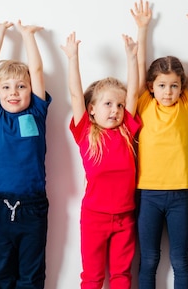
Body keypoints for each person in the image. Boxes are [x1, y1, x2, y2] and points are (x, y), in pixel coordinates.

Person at [131, 0, 188, 289]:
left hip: (179, 195)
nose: (168, 91)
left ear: (181, 87)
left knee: (180, 259)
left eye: (174, 85)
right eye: (162, 85)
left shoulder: (186, 106)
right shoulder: (143, 103)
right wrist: (142, 29)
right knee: (149, 259)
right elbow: (139, 67)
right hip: (148, 193)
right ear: (151, 87)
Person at [61, 31, 142, 289]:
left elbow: (134, 95)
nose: (115, 110)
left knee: (121, 277)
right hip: (95, 217)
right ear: (92, 109)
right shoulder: (85, 132)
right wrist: (73, 58)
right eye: (108, 104)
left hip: (125, 217)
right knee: (93, 278)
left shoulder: (127, 131)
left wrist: (132, 57)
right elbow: (75, 95)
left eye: (119, 105)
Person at [0, 20, 52, 289]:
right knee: (1, 273)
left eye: (21, 86)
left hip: (33, 204)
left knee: (31, 276)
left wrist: (28, 36)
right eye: (6, 87)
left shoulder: (37, 112)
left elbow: (37, 69)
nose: (13, 92)